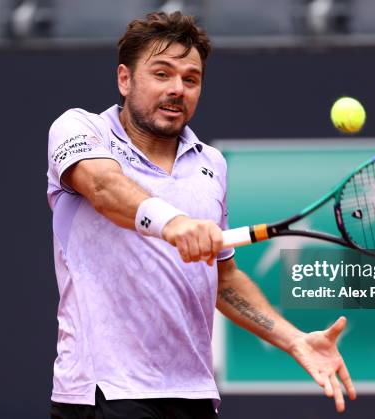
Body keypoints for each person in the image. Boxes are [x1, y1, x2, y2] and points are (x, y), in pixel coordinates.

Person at [47, 11, 356, 419]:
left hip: (193, 396)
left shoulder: (211, 164)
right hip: (106, 393)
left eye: (190, 79)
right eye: (162, 74)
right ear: (125, 79)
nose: (177, 89)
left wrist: (293, 339)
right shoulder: (80, 129)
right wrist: (174, 224)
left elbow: (222, 278)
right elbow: (103, 188)